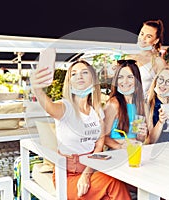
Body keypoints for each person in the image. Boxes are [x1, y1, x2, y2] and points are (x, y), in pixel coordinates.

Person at [30, 58, 131, 199]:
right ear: (69, 81)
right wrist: (37, 90)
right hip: (66, 175)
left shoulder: (97, 112)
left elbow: (98, 147)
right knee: (114, 184)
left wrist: (87, 174)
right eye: (74, 73)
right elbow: (50, 107)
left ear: (93, 79)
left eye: (84, 72)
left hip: (91, 169)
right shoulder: (65, 107)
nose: (79, 76)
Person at [103, 59, 148, 150]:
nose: (125, 81)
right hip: (116, 154)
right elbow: (103, 137)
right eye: (120, 77)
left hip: (134, 151)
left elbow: (139, 139)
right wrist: (119, 146)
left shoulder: (141, 104)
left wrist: (142, 135)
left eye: (130, 77)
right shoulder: (113, 104)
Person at [126, 19, 166, 98]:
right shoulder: (129, 58)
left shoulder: (158, 62)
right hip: (127, 105)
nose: (143, 38)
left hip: (146, 107)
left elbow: (164, 89)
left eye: (148, 36)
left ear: (156, 40)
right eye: (142, 34)